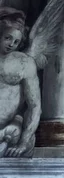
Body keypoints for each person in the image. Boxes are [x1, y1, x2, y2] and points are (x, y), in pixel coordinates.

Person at [0, 9, 40, 157]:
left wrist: (23, 142)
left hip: (10, 133)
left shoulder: (24, 63)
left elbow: (34, 106)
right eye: (8, 38)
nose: (12, 44)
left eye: (16, 41)